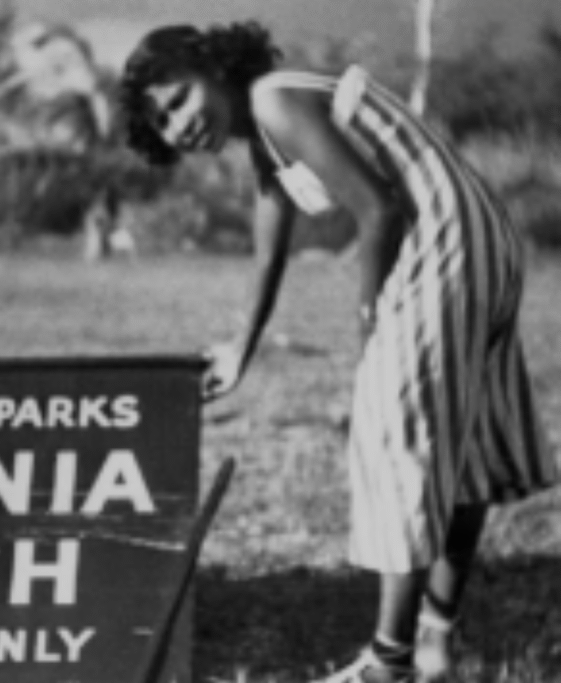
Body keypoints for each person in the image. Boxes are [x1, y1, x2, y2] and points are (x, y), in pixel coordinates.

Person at [118, 21, 559, 683]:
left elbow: (377, 209)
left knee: (395, 441)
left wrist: (368, 318)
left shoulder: (271, 98)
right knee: (464, 449)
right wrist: (243, 346)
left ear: (212, 67)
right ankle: (435, 641)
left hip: (440, 242)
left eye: (179, 99)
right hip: (483, 237)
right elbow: (270, 250)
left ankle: (389, 662)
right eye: (164, 122)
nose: (180, 125)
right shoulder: (267, 139)